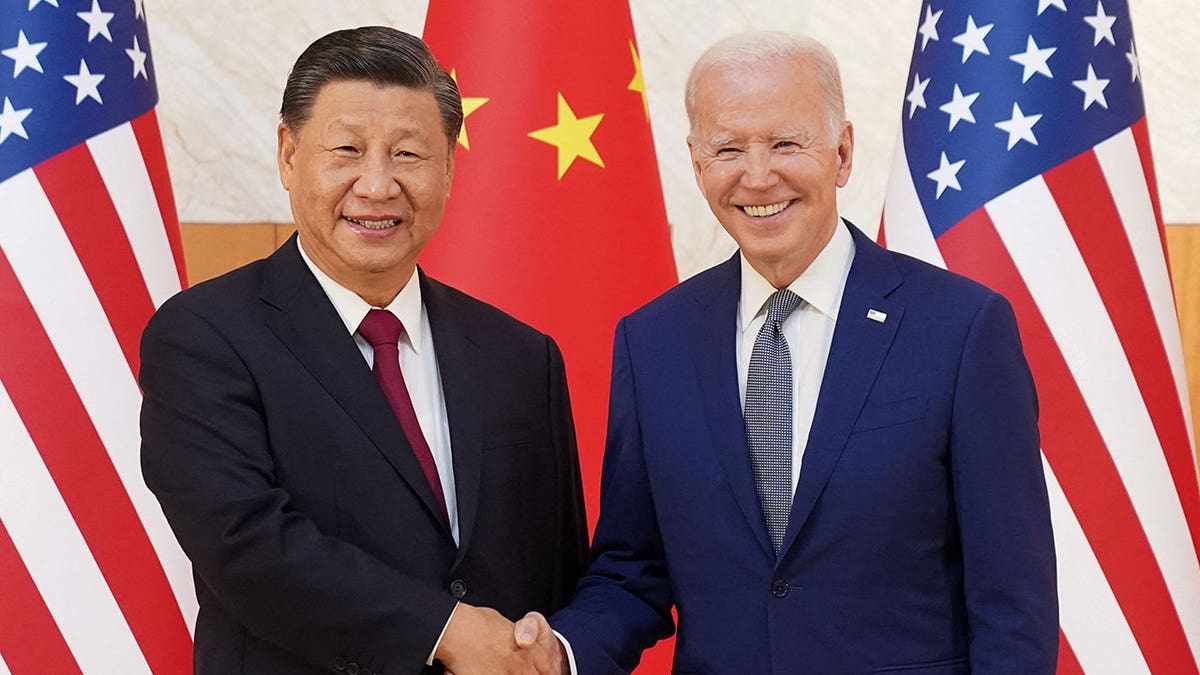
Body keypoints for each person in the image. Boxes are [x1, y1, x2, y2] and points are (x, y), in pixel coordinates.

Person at [515, 30, 1058, 674]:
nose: (757, 175)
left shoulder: (963, 328)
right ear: (696, 163)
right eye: (728, 149)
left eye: (784, 143)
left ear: (842, 151)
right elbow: (636, 568)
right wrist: (562, 651)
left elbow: (1012, 604)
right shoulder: (653, 340)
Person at [140, 26, 586, 675]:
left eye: (408, 154)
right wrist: (446, 630)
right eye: (347, 149)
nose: (377, 185)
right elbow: (248, 549)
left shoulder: (522, 357)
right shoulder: (204, 336)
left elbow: (555, 573)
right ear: (289, 154)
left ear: (448, 168)